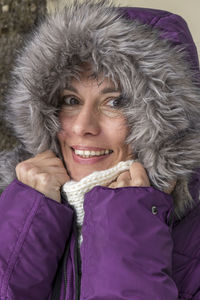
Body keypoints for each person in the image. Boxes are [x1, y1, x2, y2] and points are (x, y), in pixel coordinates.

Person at [0, 0, 200, 299]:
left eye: (115, 101)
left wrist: (128, 220)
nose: (82, 127)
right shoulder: (18, 201)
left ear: (166, 119)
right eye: (70, 100)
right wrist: (28, 216)